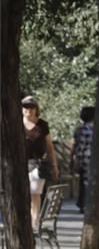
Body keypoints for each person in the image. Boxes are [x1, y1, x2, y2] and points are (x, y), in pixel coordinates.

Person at [22, 96, 59, 227]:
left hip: (38, 164)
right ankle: (26, 221)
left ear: (36, 109)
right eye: (25, 107)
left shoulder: (42, 124)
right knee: (23, 194)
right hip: (20, 165)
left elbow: (49, 146)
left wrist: (54, 165)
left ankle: (35, 222)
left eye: (32, 107)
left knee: (35, 193)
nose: (29, 110)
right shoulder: (17, 124)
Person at [70, 106, 95, 214]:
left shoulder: (81, 129)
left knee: (84, 182)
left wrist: (75, 160)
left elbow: (79, 146)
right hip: (93, 158)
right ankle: (88, 204)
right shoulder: (96, 129)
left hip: (85, 158)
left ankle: (83, 204)